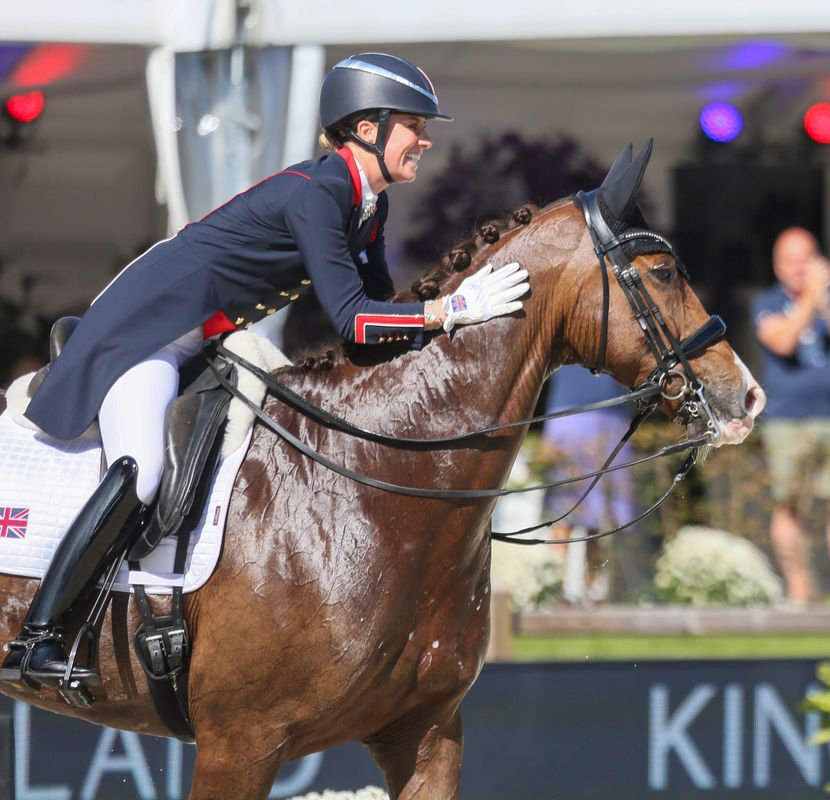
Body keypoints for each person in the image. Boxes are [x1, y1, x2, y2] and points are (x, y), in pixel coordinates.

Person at [1, 54, 531, 689]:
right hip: (143, 336)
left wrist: (463, 315)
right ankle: (37, 637)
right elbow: (353, 320)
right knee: (140, 472)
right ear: (367, 128)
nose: (426, 139)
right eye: (414, 125)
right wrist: (451, 310)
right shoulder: (320, 194)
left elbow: (379, 325)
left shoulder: (366, 204)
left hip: (201, 339)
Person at [754, 228, 830, 605]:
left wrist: (825, 305)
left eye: (807, 259)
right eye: (792, 261)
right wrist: (810, 301)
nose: (800, 268)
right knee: (789, 506)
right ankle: (800, 589)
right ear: (777, 266)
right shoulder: (765, 302)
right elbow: (782, 341)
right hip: (788, 420)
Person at [540, 366, 635, 604]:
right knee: (563, 518)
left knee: (596, 521)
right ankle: (557, 591)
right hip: (570, 420)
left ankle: (590, 591)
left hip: (602, 419)